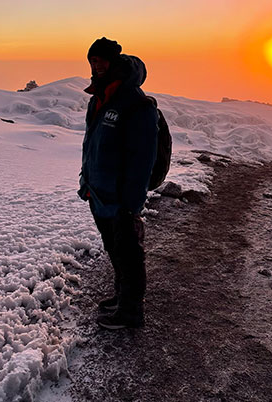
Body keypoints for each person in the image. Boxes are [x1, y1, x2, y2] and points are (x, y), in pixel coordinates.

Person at [78, 37, 158, 330]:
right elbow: (93, 145)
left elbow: (142, 160)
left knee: (129, 254)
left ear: (113, 61)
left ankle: (131, 313)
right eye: (92, 60)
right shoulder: (99, 98)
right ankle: (121, 297)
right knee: (114, 249)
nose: (95, 65)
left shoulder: (136, 104)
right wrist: (86, 179)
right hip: (98, 192)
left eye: (100, 59)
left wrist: (132, 204)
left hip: (121, 198)